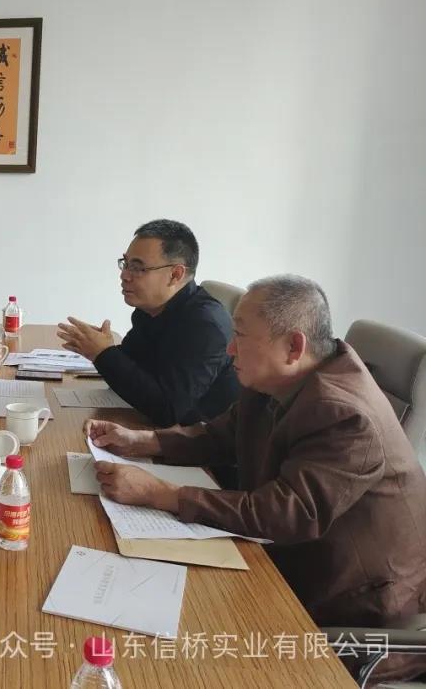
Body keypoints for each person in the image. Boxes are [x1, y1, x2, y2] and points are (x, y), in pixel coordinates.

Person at [86, 275, 426, 683]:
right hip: (288, 561)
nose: (229, 349)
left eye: (241, 336)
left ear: (294, 346)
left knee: (172, 653)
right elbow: (221, 435)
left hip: (350, 605)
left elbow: (285, 513)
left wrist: (161, 494)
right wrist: (143, 441)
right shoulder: (278, 378)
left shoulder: (345, 415)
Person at [58, 218, 238, 426]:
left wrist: (104, 354)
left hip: (195, 440)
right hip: (148, 426)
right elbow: (133, 373)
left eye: (137, 268)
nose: (124, 275)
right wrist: (101, 349)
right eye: (125, 264)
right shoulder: (150, 309)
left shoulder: (205, 327)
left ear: (175, 274)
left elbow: (169, 411)